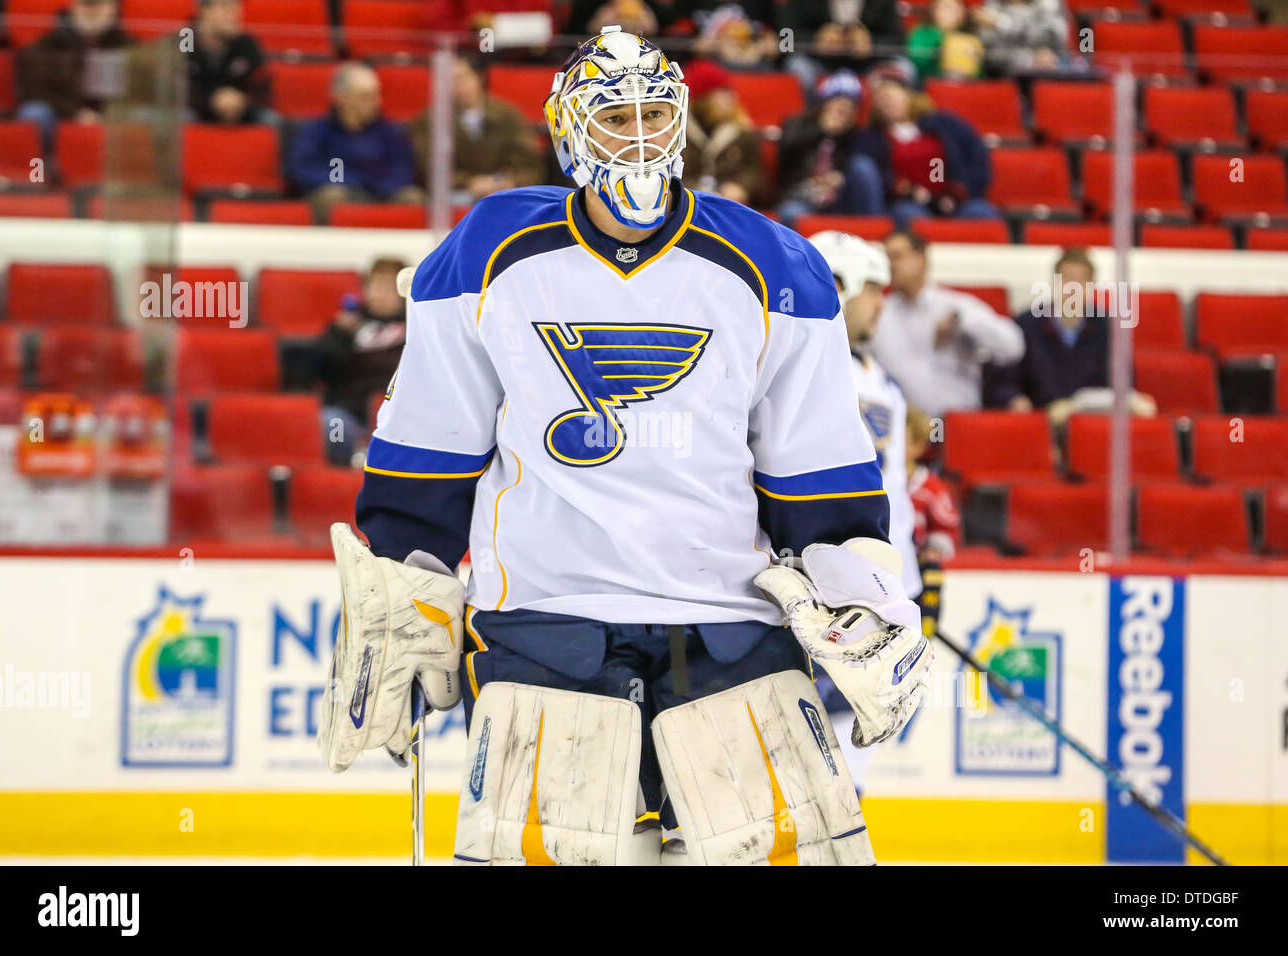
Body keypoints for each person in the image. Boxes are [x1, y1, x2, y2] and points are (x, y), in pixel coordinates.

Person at [317, 26, 931, 867]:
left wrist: (857, 584)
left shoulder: (773, 264)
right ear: (570, 132)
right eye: (614, 118)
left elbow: (814, 467)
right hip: (544, 623)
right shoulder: (489, 252)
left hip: (728, 625)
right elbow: (432, 445)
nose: (639, 137)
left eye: (654, 113)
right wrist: (406, 576)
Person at [809, 230, 923, 797]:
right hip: (815, 588)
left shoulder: (883, 382)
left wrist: (915, 583)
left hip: (873, 589)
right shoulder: (797, 370)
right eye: (871, 289)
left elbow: (893, 493)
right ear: (838, 288)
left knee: (851, 739)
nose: (882, 301)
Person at [987, 247, 1156, 423]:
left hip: (1092, 420)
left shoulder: (1107, 326)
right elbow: (1004, 379)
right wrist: (1014, 399)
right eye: (1068, 279)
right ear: (1055, 282)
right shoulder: (1027, 323)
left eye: (1081, 281)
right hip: (1042, 418)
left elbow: (1123, 379)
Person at [870, 228, 1025, 416]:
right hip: (903, 429)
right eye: (886, 258)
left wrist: (963, 323)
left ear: (922, 259)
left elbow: (1013, 347)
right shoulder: (878, 314)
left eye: (897, 256)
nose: (890, 265)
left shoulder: (957, 307)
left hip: (958, 427)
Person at [850, 60, 999, 224]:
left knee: (981, 213)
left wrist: (959, 191)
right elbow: (875, 178)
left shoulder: (945, 124)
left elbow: (978, 158)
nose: (884, 100)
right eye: (878, 96)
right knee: (911, 217)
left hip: (954, 200)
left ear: (909, 94)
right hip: (908, 203)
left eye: (890, 93)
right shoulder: (872, 137)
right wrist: (906, 191)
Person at [286, 62, 423, 224]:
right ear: (342, 97)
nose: (376, 102)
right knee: (330, 196)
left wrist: (379, 186)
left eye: (377, 95)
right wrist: (349, 182)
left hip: (383, 193)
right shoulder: (316, 131)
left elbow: (403, 169)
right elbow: (304, 169)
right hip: (343, 192)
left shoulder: (390, 131)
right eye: (366, 96)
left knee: (413, 197)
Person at [313, 257, 409, 467]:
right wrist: (337, 335)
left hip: (399, 419)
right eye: (372, 286)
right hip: (351, 417)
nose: (378, 294)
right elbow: (320, 371)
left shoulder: (416, 326)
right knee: (329, 423)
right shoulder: (348, 326)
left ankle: (374, 457)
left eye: (386, 287)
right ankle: (355, 459)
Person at [412, 55, 542, 204]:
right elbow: (431, 170)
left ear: (478, 78)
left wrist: (508, 181)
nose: (456, 86)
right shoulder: (431, 120)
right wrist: (470, 182)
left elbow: (529, 164)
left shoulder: (509, 116)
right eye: (448, 81)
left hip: (507, 192)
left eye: (461, 78)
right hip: (456, 197)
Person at [15, 0, 132, 145]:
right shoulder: (47, 44)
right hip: (61, 114)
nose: (93, 10)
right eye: (86, 4)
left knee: (149, 115)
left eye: (100, 4)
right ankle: (41, 164)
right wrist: (75, 113)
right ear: (73, 6)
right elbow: (34, 89)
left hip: (113, 117)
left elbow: (138, 90)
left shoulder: (128, 46)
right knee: (34, 113)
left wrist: (106, 115)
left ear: (113, 8)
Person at [774, 70, 864, 227]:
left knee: (862, 166)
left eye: (851, 107)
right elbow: (786, 153)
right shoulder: (796, 123)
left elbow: (860, 169)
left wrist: (840, 177)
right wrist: (822, 130)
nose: (844, 110)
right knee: (791, 213)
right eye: (839, 102)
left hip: (838, 199)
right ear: (824, 103)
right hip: (800, 196)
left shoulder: (854, 136)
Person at [905, 405, 959, 639]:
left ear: (917, 446)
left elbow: (947, 529)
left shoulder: (931, 487)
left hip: (916, 567)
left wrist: (935, 547)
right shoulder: (874, 479)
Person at [678, 58, 764, 206]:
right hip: (689, 204)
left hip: (732, 204)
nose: (730, 99)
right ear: (702, 99)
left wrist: (741, 187)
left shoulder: (742, 130)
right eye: (720, 94)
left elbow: (755, 170)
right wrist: (692, 190)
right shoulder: (678, 132)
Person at [186, 0, 272, 125]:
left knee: (270, 119)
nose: (234, 15)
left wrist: (241, 101)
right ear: (204, 11)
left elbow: (263, 88)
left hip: (240, 111)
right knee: (180, 117)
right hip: (197, 110)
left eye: (237, 10)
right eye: (227, 8)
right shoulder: (184, 39)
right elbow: (173, 89)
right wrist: (212, 101)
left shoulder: (246, 42)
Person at [907, 0, 985, 81]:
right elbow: (918, 61)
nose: (954, 12)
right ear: (934, 11)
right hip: (929, 85)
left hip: (966, 86)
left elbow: (980, 74)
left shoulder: (972, 38)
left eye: (958, 8)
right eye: (947, 7)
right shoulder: (923, 33)